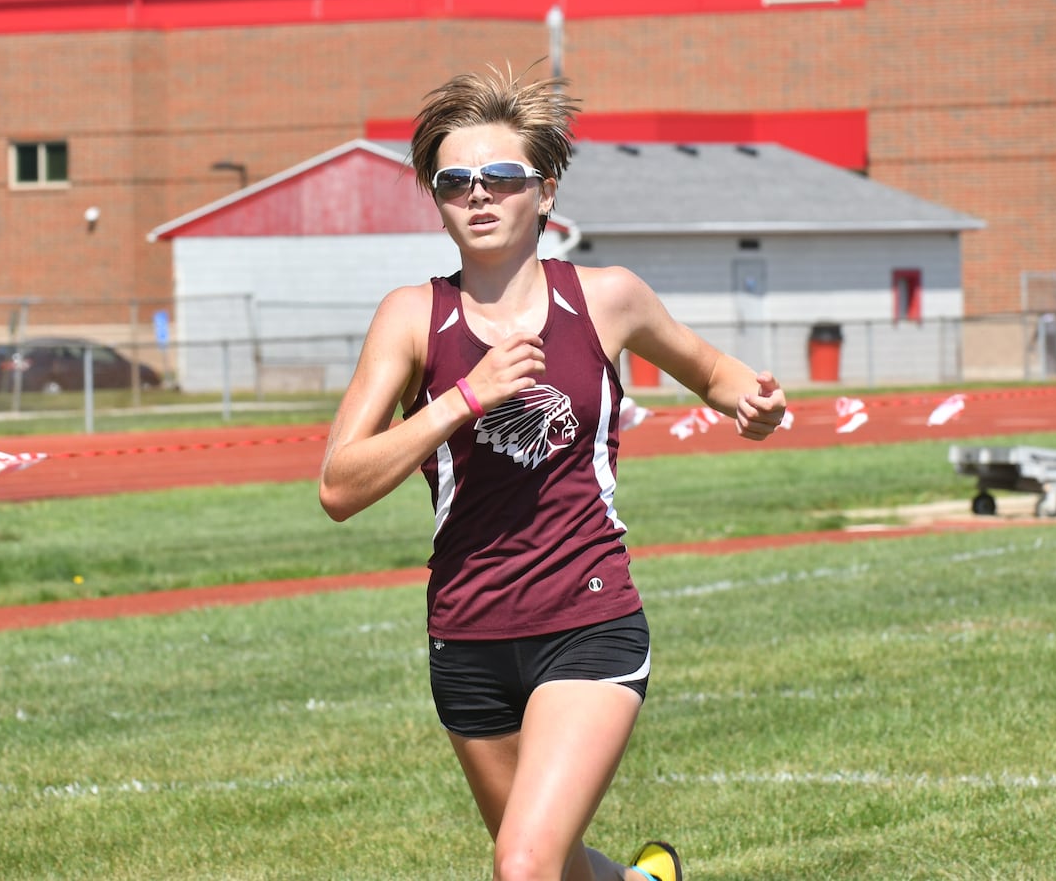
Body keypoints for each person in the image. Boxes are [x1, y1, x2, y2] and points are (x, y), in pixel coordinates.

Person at [318, 64, 789, 881]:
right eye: (455, 180)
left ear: (545, 191)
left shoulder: (607, 298)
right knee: (557, 867)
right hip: (466, 634)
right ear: (436, 198)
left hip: (588, 619)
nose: (479, 195)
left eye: (502, 177)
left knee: (524, 866)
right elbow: (339, 487)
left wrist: (755, 403)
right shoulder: (408, 316)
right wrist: (465, 396)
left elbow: (715, 372)